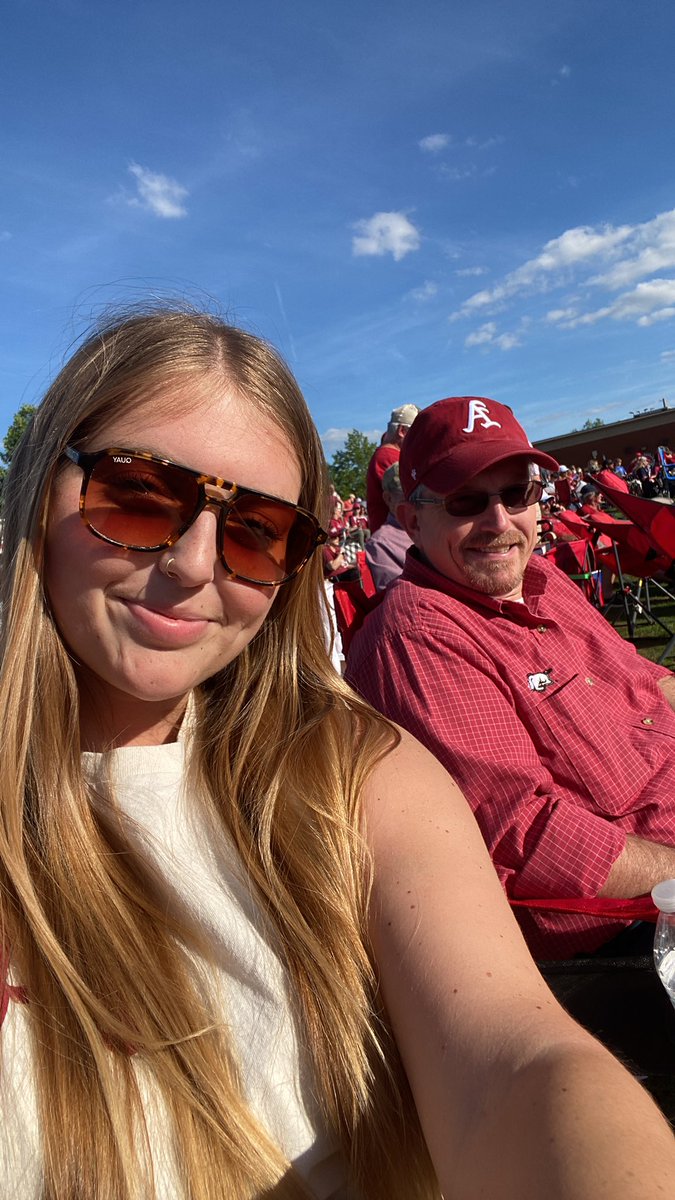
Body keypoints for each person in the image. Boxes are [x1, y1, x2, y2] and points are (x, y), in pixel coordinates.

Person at [1, 316, 673, 1199]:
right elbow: (516, 1030)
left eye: (257, 528)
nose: (196, 563)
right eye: (139, 496)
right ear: (42, 483)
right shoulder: (414, 650)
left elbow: (519, 1062)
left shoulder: (341, 763)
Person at [346, 395, 675, 961]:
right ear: (411, 519)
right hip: (634, 927)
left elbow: (646, 678)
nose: (499, 522)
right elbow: (526, 836)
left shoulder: (542, 575)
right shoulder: (418, 635)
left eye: (517, 493)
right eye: (465, 500)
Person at [365, 403, 418, 534]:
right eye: (416, 432)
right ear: (402, 431)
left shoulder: (390, 453)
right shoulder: (388, 456)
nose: (419, 439)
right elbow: (412, 496)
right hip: (394, 539)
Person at [364, 462, 412, 590]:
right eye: (405, 494)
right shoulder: (380, 544)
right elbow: (399, 600)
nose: (414, 500)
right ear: (388, 499)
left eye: (419, 492)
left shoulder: (433, 526)